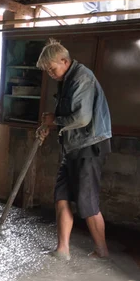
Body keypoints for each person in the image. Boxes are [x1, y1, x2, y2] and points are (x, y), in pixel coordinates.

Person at [37, 39, 112, 261]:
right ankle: (63, 249)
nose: (50, 73)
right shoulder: (66, 79)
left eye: (52, 68)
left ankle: (102, 251)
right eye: (48, 71)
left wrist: (55, 121)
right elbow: (66, 115)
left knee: (86, 203)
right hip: (71, 146)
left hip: (89, 146)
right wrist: (50, 124)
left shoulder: (82, 78)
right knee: (61, 196)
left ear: (64, 60)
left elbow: (82, 118)